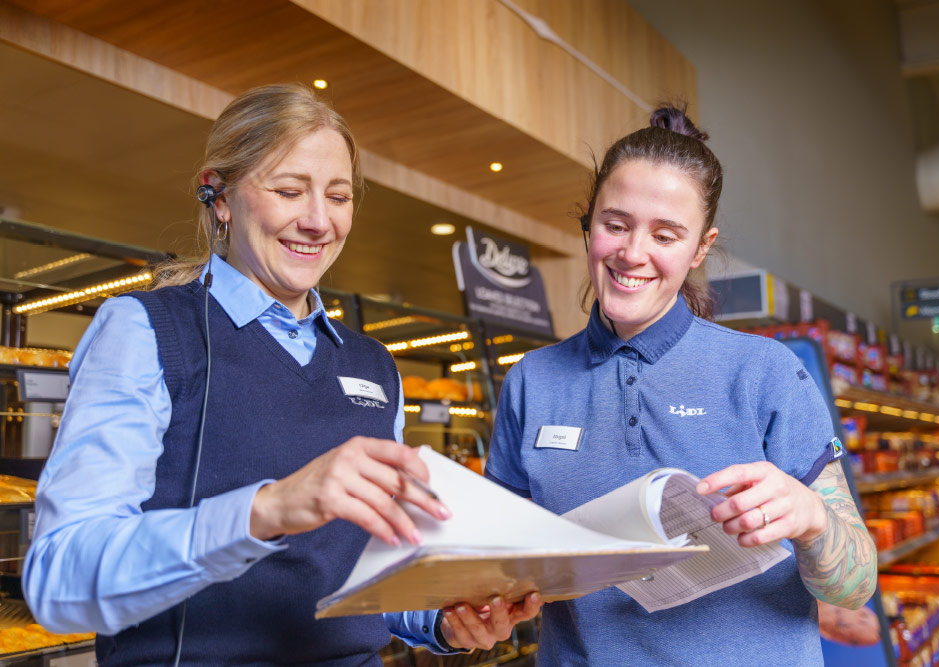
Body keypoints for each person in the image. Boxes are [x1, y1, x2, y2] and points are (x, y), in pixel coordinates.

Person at [23, 83, 539, 666]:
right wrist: (266, 511)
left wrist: (442, 618)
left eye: (339, 196)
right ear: (218, 196)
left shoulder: (374, 366)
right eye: (289, 190)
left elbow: (367, 578)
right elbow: (58, 582)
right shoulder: (146, 332)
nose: (319, 221)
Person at [484, 106, 877, 665]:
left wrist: (812, 517)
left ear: (699, 248)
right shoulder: (532, 381)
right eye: (615, 224)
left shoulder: (765, 372)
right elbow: (495, 564)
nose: (632, 253)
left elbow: (855, 585)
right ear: (588, 225)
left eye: (665, 235)